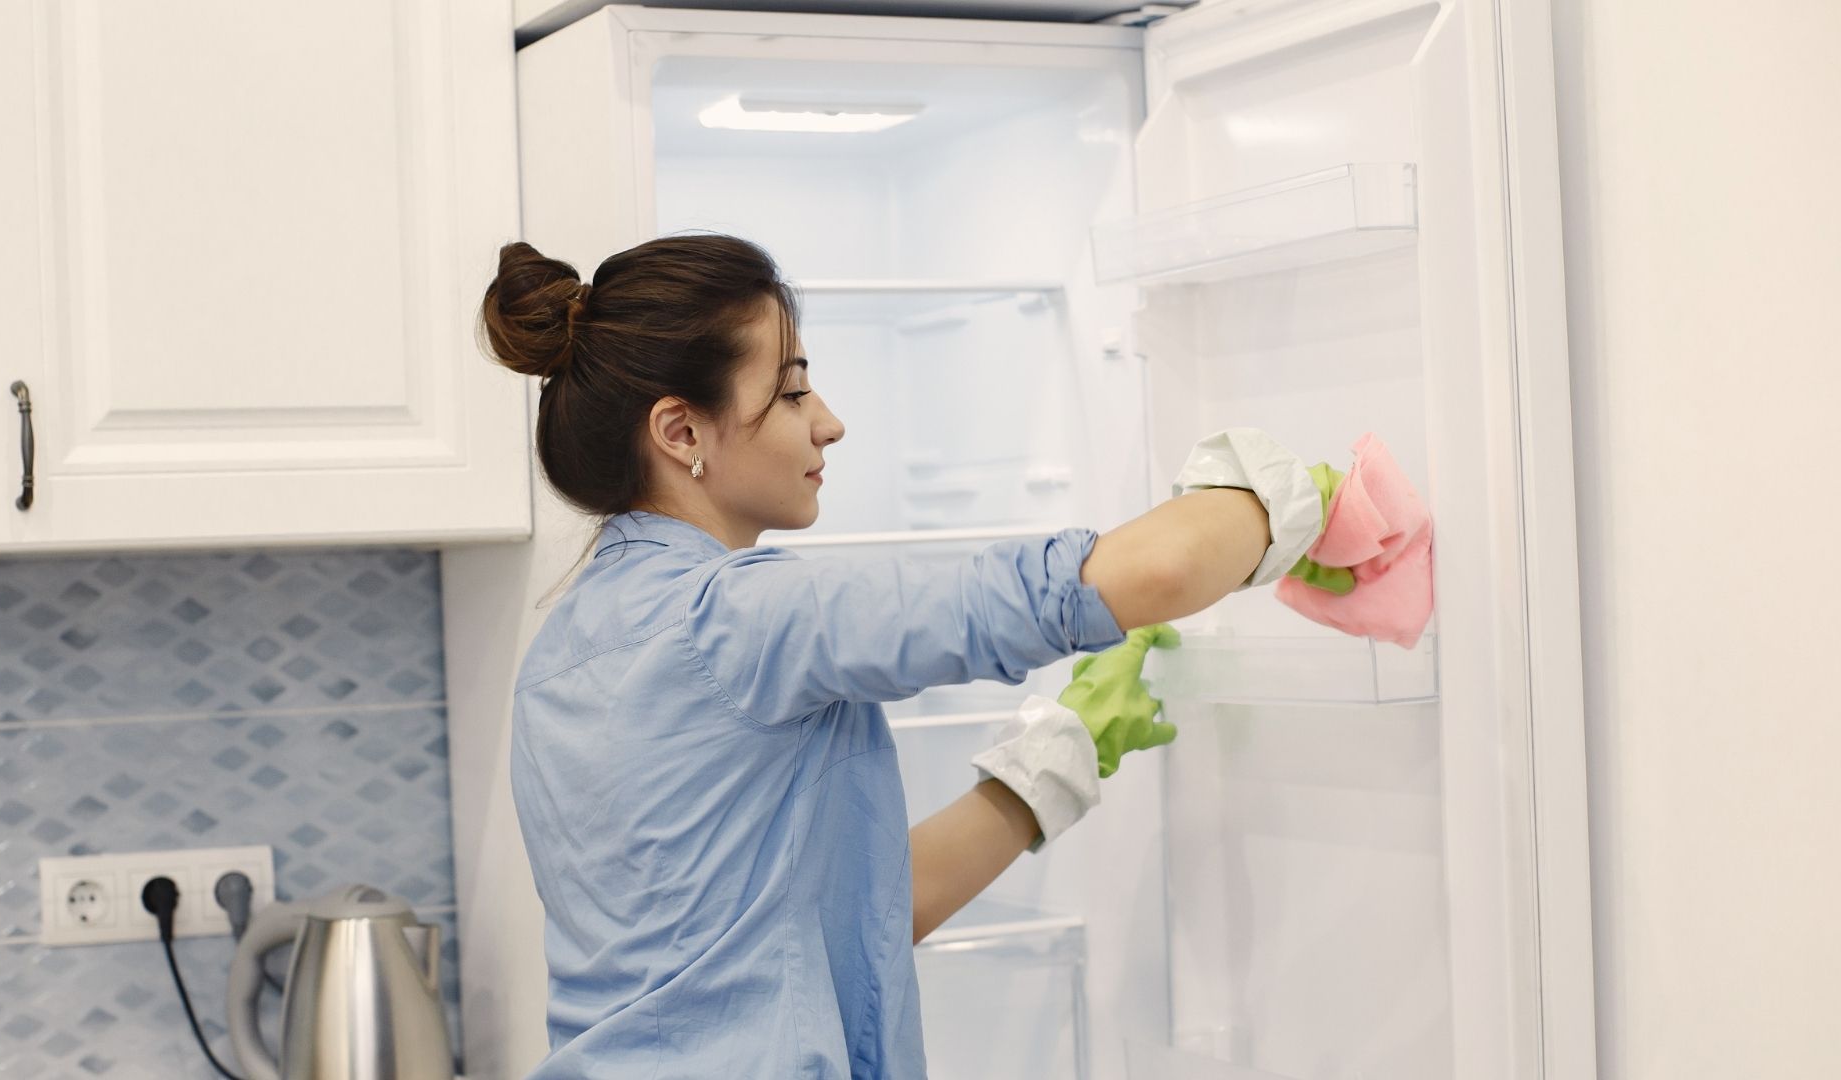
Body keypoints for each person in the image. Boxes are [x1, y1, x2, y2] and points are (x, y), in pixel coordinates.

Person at [479, 234, 1329, 1080]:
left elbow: (845, 925)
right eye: (791, 390)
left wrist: (1053, 764)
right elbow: (1151, 570)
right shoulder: (739, 617)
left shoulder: (561, 653)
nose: (828, 421)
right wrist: (1302, 498)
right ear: (680, 429)